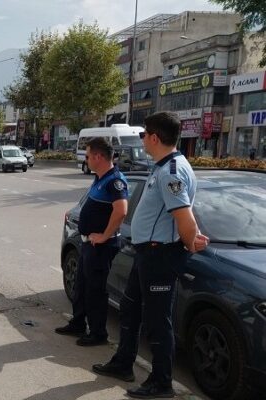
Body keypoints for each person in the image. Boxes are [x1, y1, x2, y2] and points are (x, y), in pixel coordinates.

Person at [92, 112, 209, 399]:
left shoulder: (172, 172)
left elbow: (185, 217)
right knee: (130, 310)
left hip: (160, 256)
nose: (142, 139)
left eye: (144, 135)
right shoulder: (164, 167)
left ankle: (162, 382)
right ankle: (123, 363)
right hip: (146, 253)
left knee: (158, 321)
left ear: (154, 138)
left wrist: (191, 241)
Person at [55, 137, 128, 347]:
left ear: (98, 156)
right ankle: (78, 323)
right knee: (81, 286)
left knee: (95, 291)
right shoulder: (100, 178)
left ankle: (98, 333)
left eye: (87, 155)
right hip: (88, 244)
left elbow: (121, 210)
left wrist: (104, 235)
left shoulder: (115, 180)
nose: (85, 159)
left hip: (101, 246)